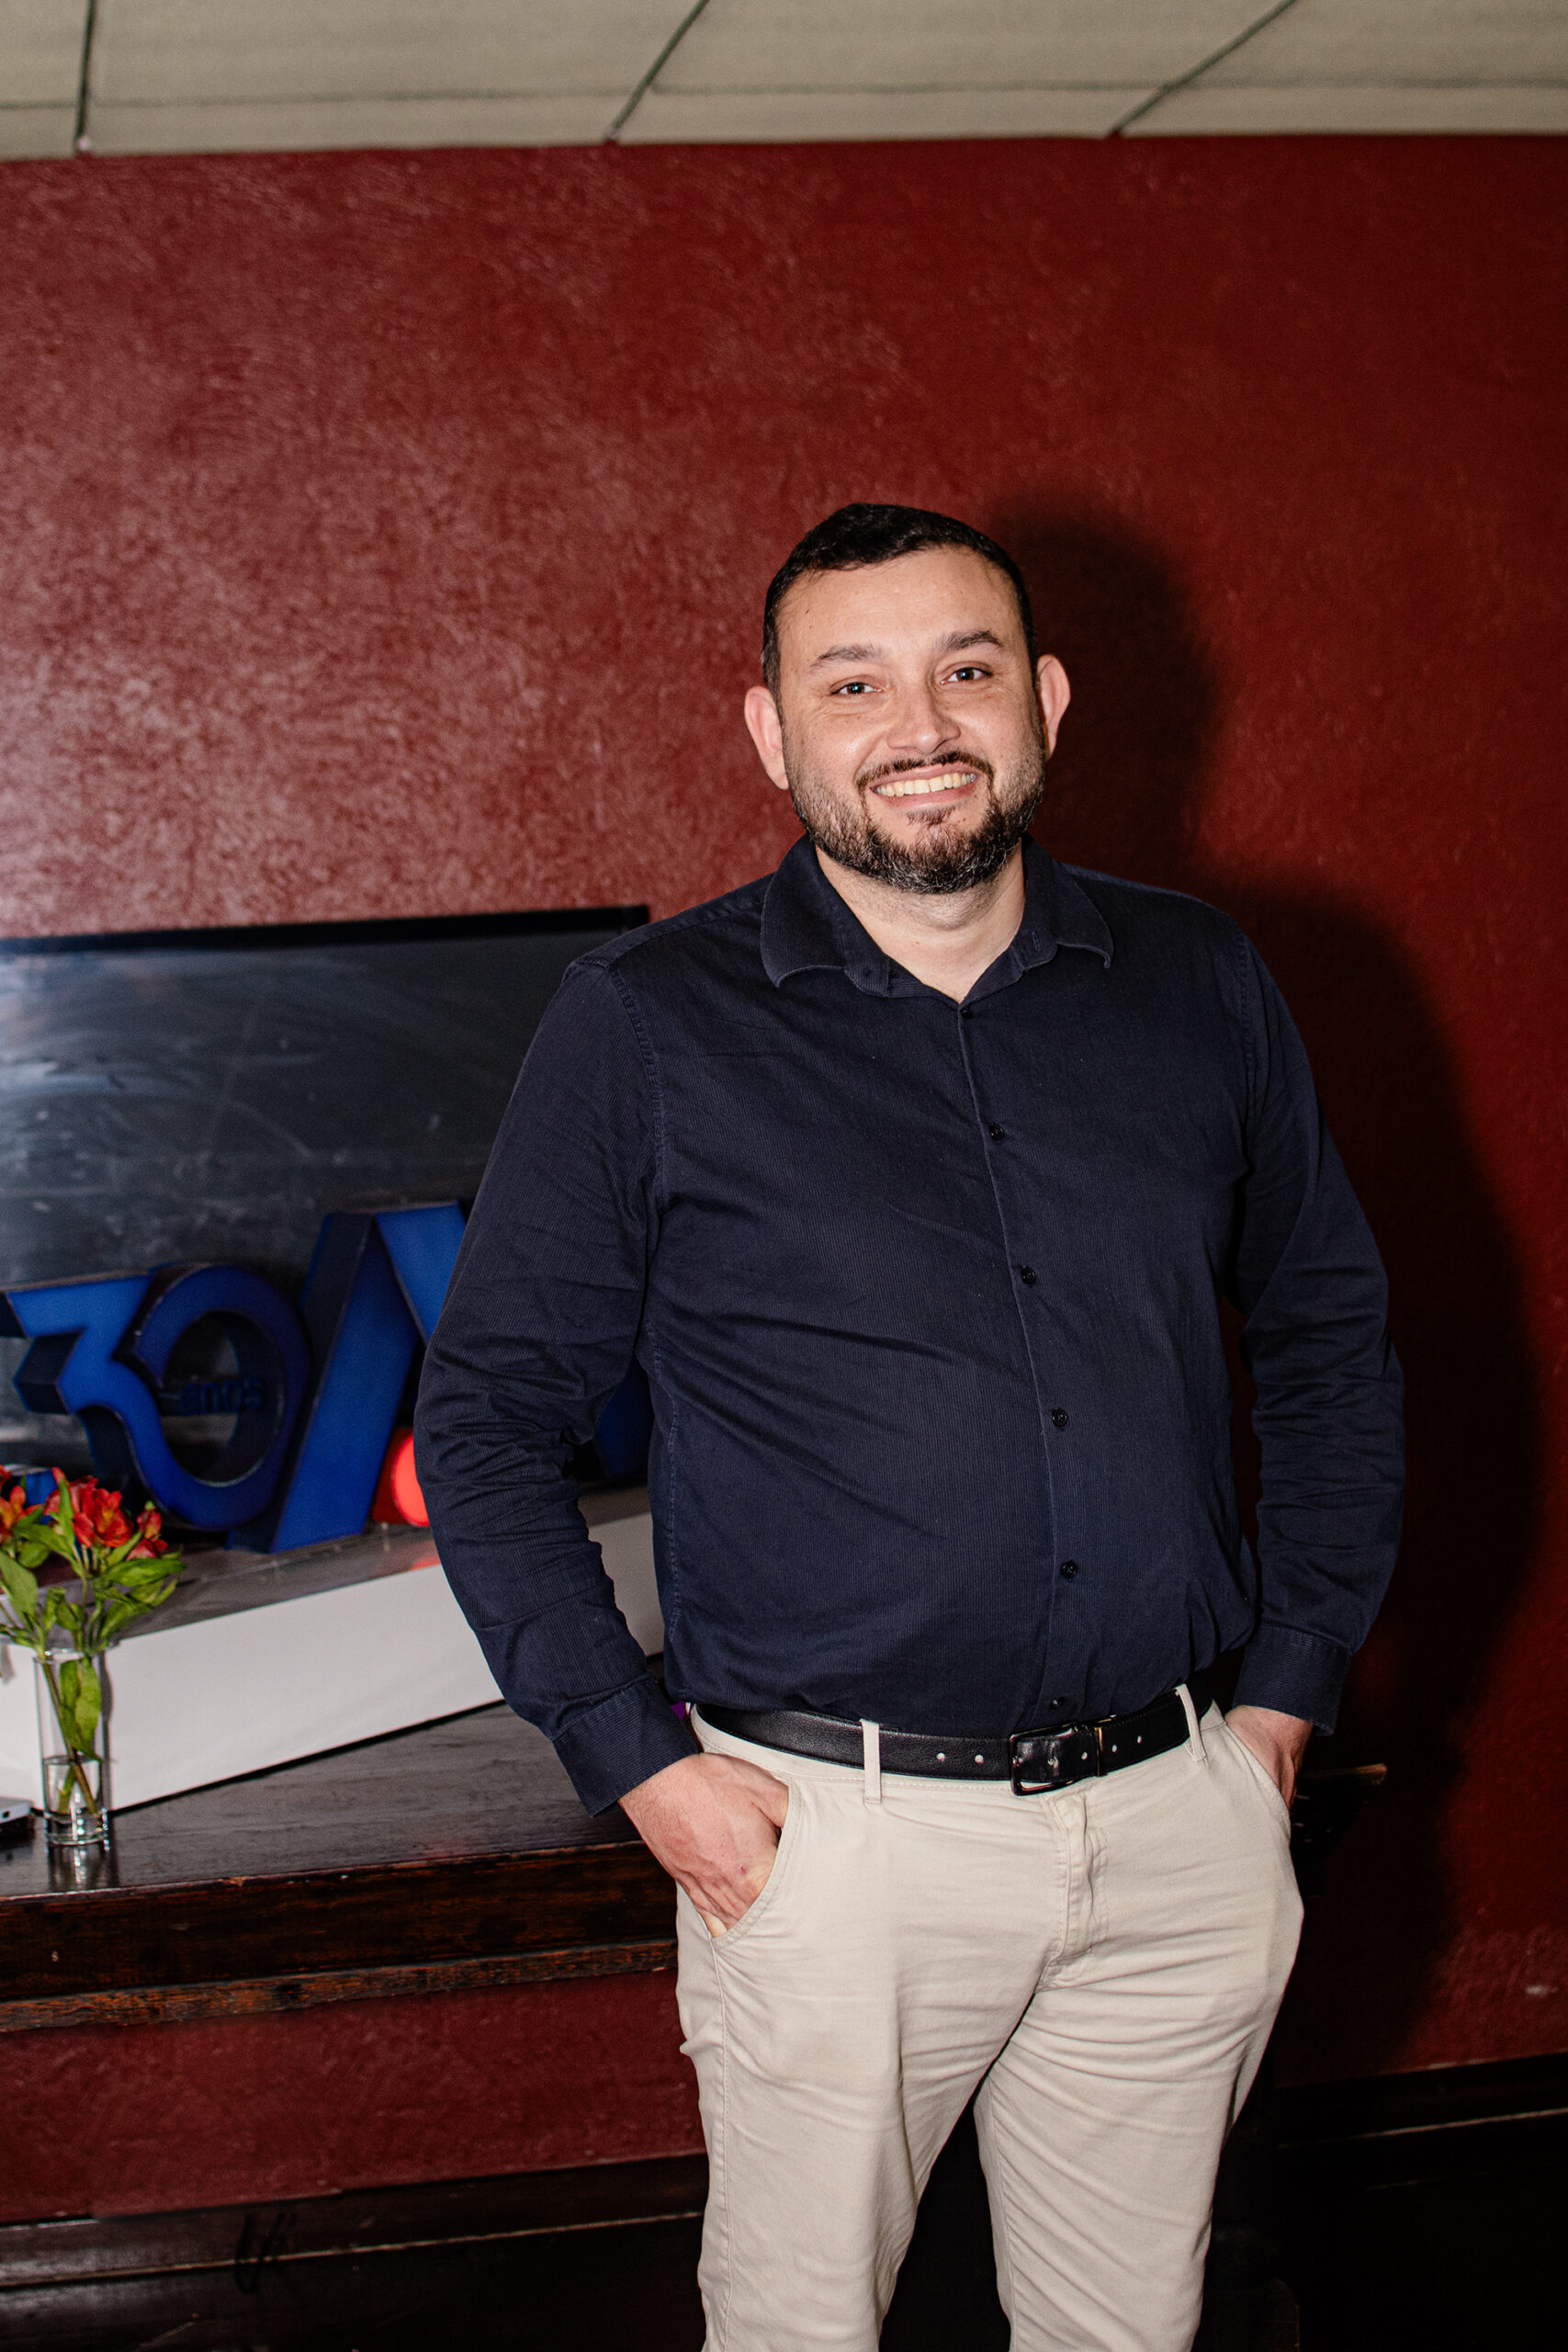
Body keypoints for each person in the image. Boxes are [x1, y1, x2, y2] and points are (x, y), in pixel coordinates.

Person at [415, 504, 1404, 2352]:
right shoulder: (644, 1026)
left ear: (1043, 702)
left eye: (964, 669)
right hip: (830, 1843)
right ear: (771, 732)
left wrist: (1283, 1692)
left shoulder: (1199, 981)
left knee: (1130, 2331)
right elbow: (482, 1418)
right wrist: (643, 1768)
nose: (919, 724)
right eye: (851, 683)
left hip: (1176, 1813)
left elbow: (1328, 1331)